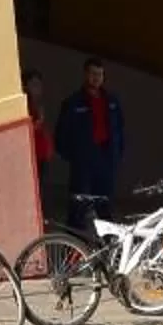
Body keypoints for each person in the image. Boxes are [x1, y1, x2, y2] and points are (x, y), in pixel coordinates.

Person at [53, 57, 126, 215]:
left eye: (100, 74)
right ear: (85, 74)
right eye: (93, 73)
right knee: (79, 204)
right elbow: (61, 134)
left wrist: (117, 153)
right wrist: (75, 156)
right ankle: (76, 231)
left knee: (104, 203)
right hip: (83, 162)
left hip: (106, 159)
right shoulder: (73, 103)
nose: (96, 78)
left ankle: (105, 230)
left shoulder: (112, 101)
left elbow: (120, 129)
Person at [22, 70, 60, 219]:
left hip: (43, 153)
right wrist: (37, 123)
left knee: (41, 187)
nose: (38, 88)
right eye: (34, 84)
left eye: (39, 84)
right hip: (33, 153)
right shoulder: (25, 104)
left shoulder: (38, 103)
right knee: (35, 188)